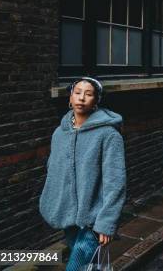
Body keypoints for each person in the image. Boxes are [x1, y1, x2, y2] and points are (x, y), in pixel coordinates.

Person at [39, 77, 126, 271]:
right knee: (89, 266)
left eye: (88, 94)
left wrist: (107, 221)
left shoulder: (108, 135)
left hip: (94, 218)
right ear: (70, 98)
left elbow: (115, 181)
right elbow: (53, 171)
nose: (81, 98)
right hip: (69, 217)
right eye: (77, 93)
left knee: (76, 266)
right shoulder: (59, 134)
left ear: (96, 100)